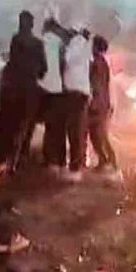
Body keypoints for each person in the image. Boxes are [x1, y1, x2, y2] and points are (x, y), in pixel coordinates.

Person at [0, 11, 47, 170]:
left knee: (9, 124)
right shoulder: (38, 44)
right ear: (32, 25)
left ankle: (7, 158)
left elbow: (12, 62)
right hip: (29, 90)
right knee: (26, 124)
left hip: (12, 89)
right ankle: (20, 157)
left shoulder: (16, 39)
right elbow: (43, 69)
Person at [22, 17, 68, 171]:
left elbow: (35, 65)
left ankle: (23, 153)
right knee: (54, 126)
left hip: (41, 87)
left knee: (29, 120)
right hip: (57, 89)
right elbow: (64, 66)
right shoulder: (62, 45)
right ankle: (54, 160)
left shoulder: (40, 42)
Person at [60, 27, 91, 182]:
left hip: (75, 94)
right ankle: (77, 165)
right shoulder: (84, 44)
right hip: (79, 94)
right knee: (77, 130)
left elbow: (68, 60)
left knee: (75, 131)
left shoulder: (76, 42)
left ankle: (75, 169)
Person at [87, 35, 117, 174]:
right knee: (96, 135)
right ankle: (105, 161)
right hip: (103, 103)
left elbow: (97, 85)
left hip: (99, 104)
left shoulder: (97, 63)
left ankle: (111, 162)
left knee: (100, 135)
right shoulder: (102, 62)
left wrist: (94, 102)